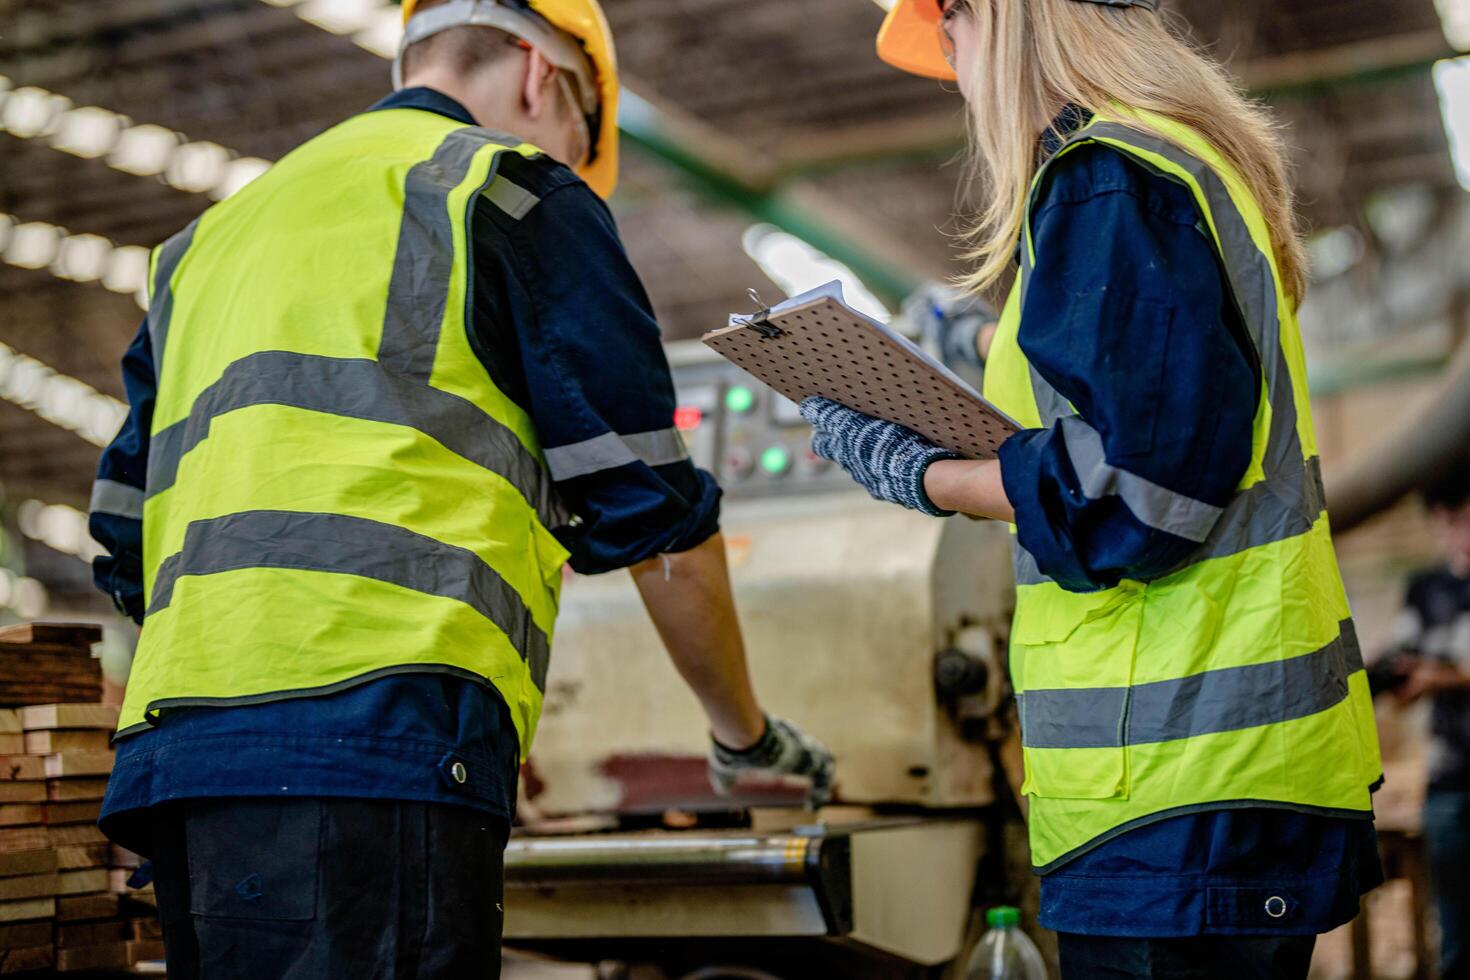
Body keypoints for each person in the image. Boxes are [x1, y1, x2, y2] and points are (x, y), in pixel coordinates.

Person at [86, 1, 833, 976]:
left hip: (182, 769)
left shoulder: (206, 244)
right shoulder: (507, 193)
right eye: (581, 140)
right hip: (372, 756)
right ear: (542, 76)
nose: (571, 163)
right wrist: (746, 739)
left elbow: (124, 534)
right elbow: (658, 525)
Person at [802, 0, 1385, 976]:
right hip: (1198, 787)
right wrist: (983, 350)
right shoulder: (1161, 171)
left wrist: (923, 473)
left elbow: (1143, 495)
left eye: (949, 29)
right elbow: (1145, 414)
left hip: (1180, 788)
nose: (954, 63)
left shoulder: (1108, 181)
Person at [1379, 467, 1470, 980]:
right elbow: (1405, 669)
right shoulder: (1426, 589)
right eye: (1458, 519)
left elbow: (1437, 673)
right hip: (1450, 779)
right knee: (1455, 934)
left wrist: (1445, 677)